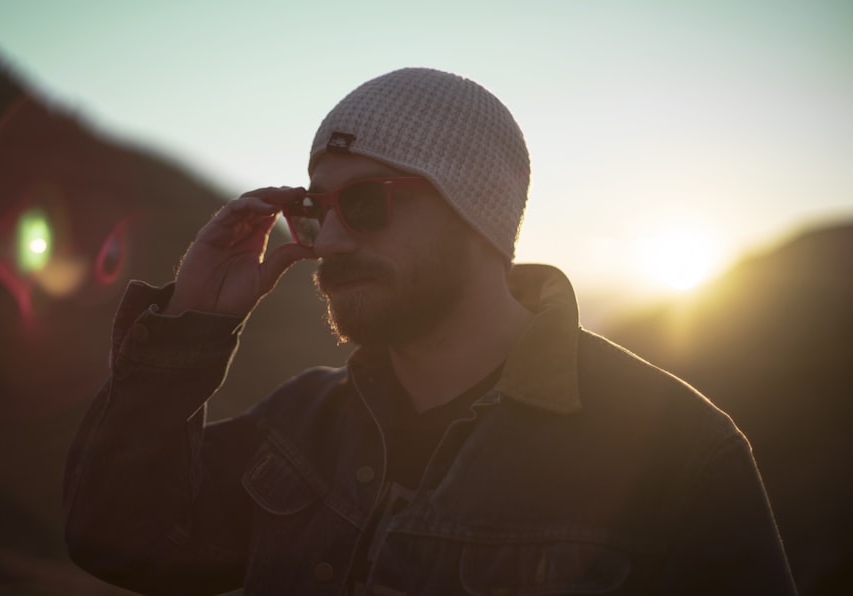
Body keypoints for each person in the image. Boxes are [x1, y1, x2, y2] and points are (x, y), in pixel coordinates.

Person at [63, 67, 797, 595]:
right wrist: (193, 326)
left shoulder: (679, 456)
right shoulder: (298, 426)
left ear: (474, 213)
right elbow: (118, 539)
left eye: (369, 203)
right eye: (317, 210)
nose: (332, 241)